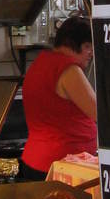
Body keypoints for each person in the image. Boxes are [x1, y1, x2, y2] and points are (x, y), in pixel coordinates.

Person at [19, 14, 96, 180]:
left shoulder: (40, 63)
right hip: (62, 166)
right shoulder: (68, 70)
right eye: (87, 46)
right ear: (74, 44)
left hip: (36, 160)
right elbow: (98, 113)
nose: (91, 53)